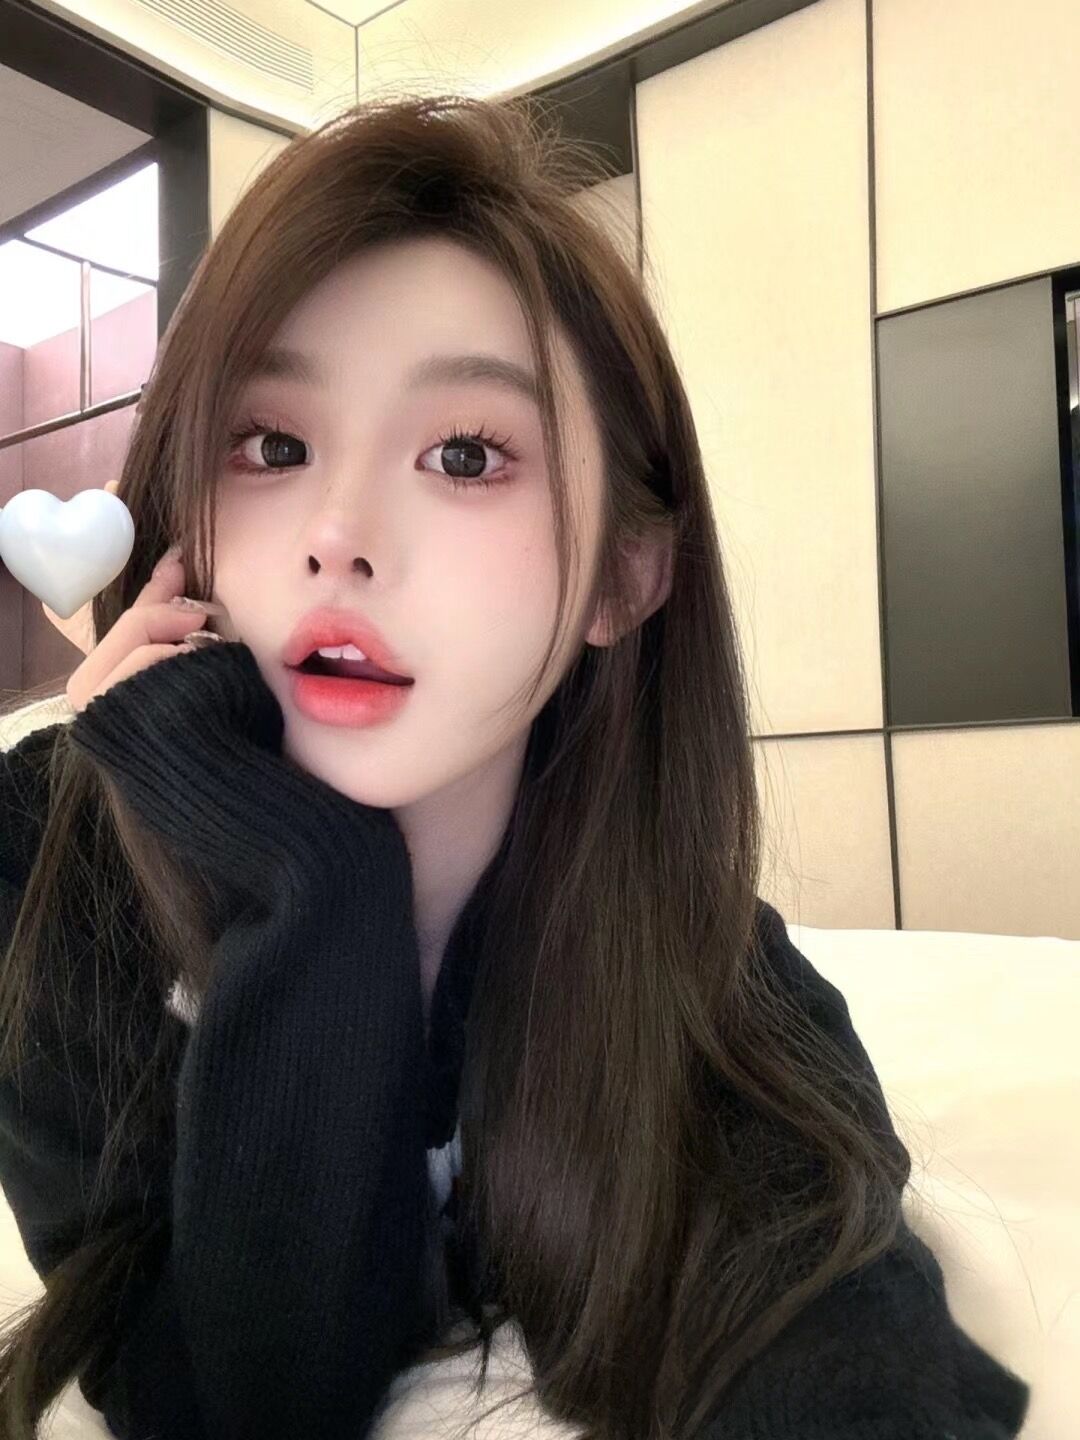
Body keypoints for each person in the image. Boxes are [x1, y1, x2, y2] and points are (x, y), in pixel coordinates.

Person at [0, 92, 1030, 1440]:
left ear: (622, 576)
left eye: (467, 454)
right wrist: (313, 882)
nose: (337, 534)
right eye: (273, 446)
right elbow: (228, 1397)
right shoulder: (41, 859)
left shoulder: (678, 953)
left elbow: (832, 1326)